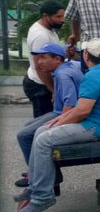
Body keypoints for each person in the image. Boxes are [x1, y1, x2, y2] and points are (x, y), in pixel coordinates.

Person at [13, 39, 100, 212]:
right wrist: (58, 120)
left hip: (96, 127)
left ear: (86, 55)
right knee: (41, 131)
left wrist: (59, 122)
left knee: (43, 139)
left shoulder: (93, 76)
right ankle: (35, 186)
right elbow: (79, 110)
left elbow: (82, 111)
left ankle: (43, 197)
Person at [15, 43, 83, 188]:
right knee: (28, 127)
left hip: (63, 113)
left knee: (24, 135)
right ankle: (41, 169)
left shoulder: (62, 74)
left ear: (58, 59)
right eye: (38, 58)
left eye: (43, 58)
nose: (39, 62)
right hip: (60, 111)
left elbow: (69, 104)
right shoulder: (69, 66)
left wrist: (58, 127)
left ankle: (39, 177)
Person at [24, 0, 65, 118]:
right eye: (58, 16)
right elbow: (40, 67)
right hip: (40, 85)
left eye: (62, 16)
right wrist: (53, 90)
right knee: (43, 123)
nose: (62, 20)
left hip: (44, 83)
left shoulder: (48, 29)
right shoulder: (41, 36)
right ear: (45, 16)